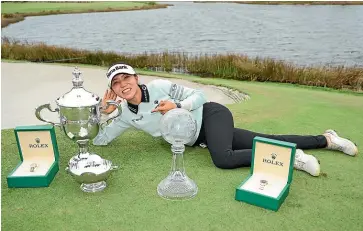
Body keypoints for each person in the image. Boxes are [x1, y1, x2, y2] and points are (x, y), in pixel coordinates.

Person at [93, 63, 358, 177]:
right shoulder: (126, 115)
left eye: (126, 78)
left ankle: (293, 158)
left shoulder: (161, 86)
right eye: (116, 83)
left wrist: (178, 105)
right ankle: (327, 140)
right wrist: (101, 113)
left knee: (224, 159)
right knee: (268, 140)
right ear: (113, 90)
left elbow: (199, 94)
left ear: (136, 78)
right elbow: (101, 139)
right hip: (202, 138)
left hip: (211, 114)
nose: (123, 84)